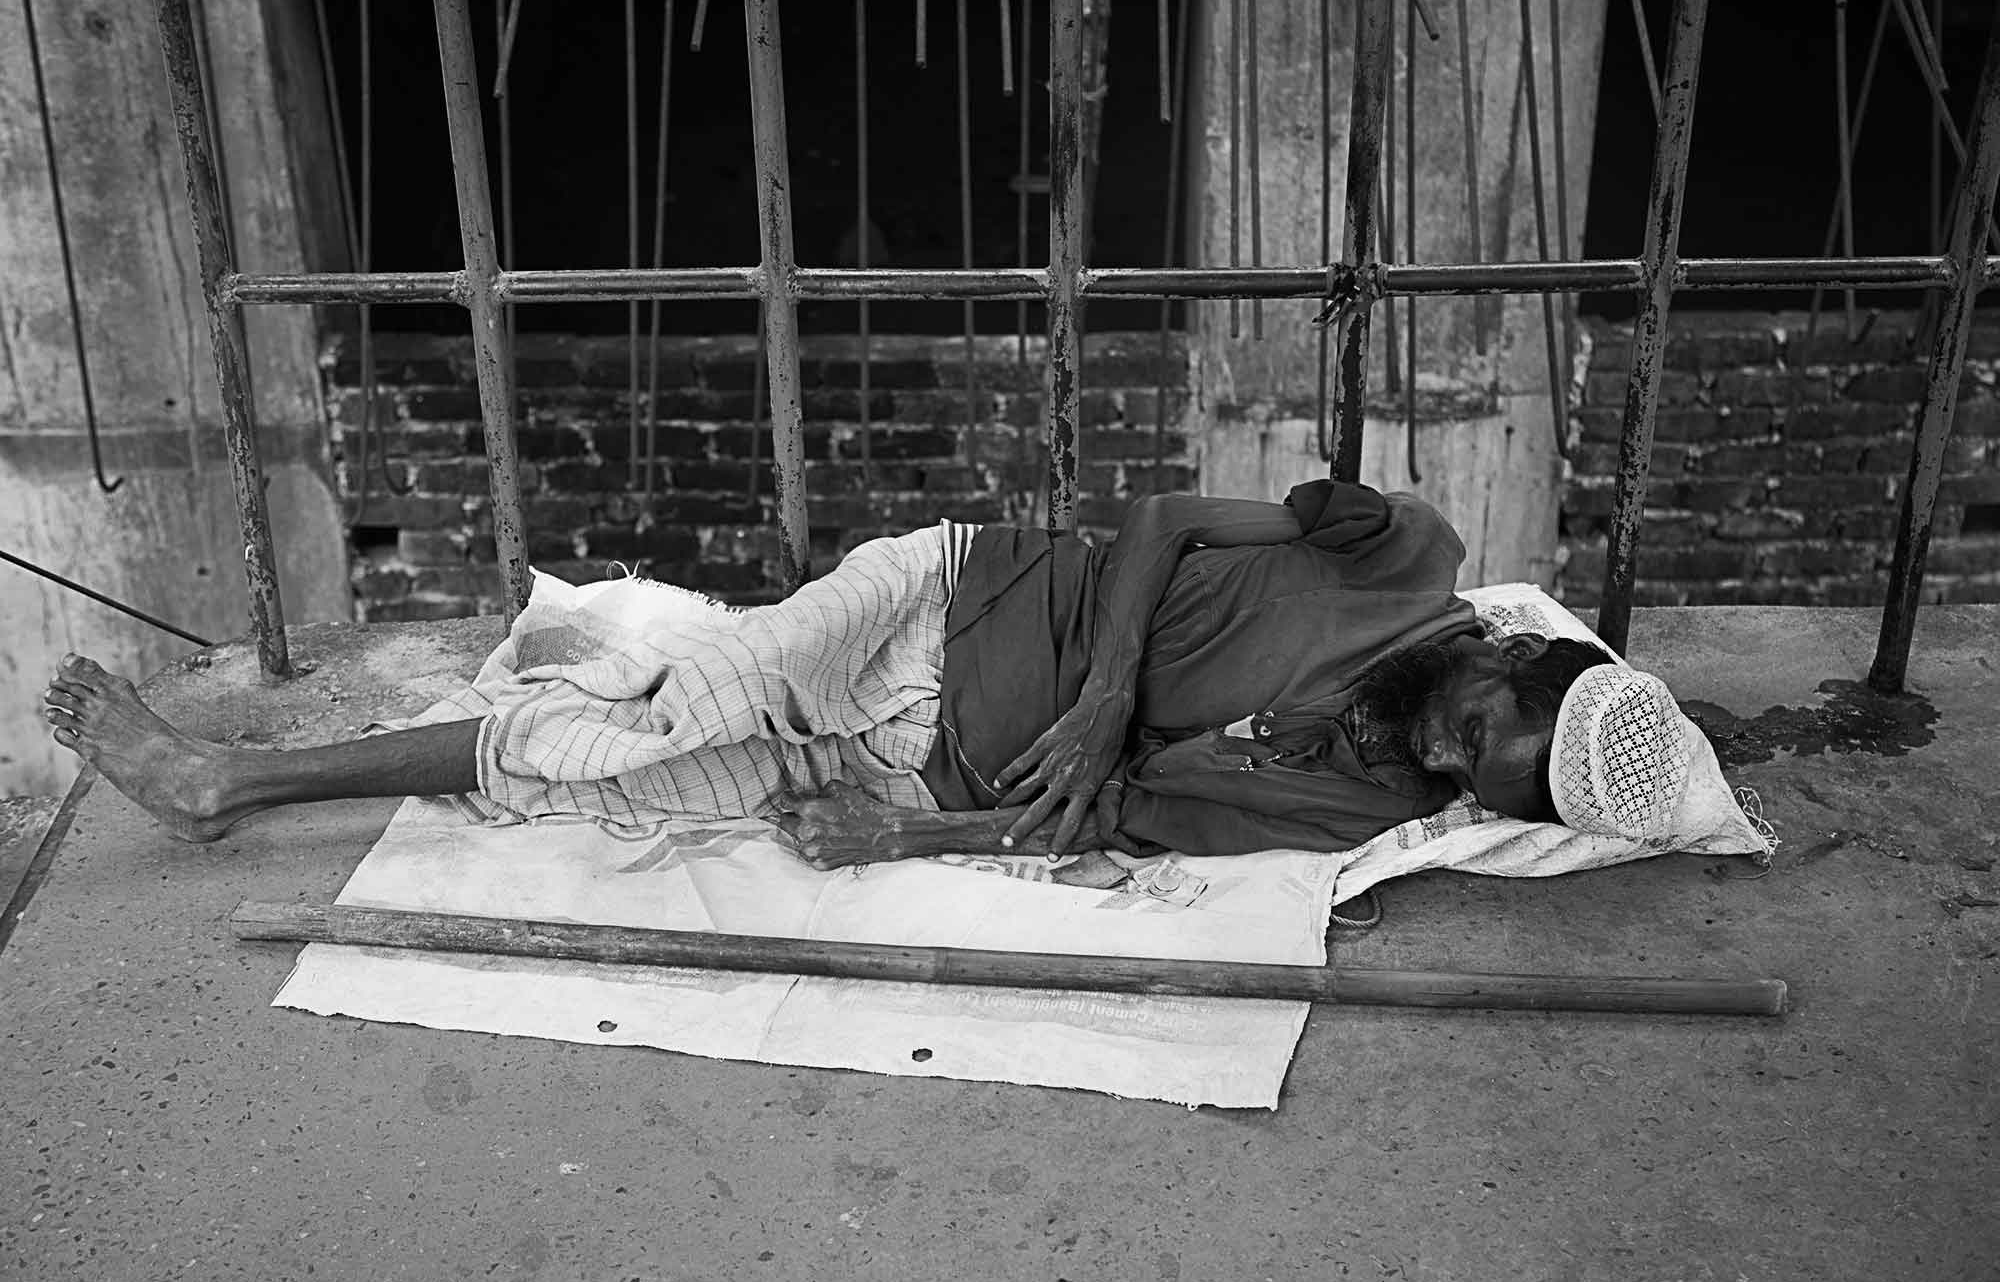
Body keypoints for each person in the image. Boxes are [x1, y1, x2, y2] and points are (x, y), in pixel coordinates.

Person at [42, 480, 1618, 866]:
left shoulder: (1366, 803)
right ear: (1513, 647)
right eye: (1480, 723)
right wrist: (1095, 687)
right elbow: (1157, 517)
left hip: (917, 769)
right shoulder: (1406, 548)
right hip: (948, 598)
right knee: (686, 702)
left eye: (1469, 780)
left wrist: (910, 836)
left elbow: (1131, 816)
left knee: (628, 776)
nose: (1444, 759)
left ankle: (223, 786)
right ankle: (229, 773)